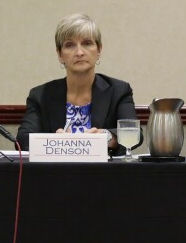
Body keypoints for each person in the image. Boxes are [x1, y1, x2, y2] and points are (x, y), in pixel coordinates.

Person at [16, 13, 141, 153]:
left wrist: (106, 137)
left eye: (87, 43)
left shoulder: (119, 90)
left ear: (99, 50)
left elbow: (135, 133)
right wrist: (55, 142)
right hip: (56, 173)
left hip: (104, 173)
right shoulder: (40, 95)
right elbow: (23, 140)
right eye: (70, 45)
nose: (79, 52)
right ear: (60, 55)